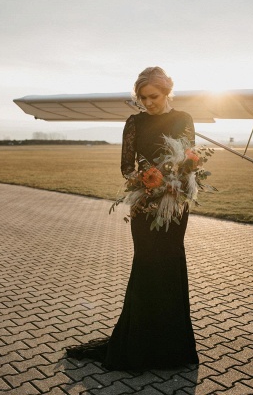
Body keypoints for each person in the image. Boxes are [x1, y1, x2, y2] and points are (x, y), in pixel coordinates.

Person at [66, 66, 199, 370]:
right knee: (146, 266)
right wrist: (142, 180)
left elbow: (187, 161)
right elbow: (126, 166)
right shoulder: (134, 122)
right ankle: (138, 344)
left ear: (167, 92)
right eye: (142, 98)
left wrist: (170, 183)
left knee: (170, 265)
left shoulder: (183, 119)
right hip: (143, 204)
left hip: (174, 205)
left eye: (152, 96)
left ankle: (172, 348)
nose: (148, 103)